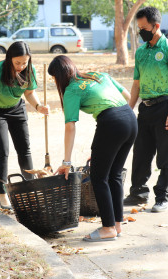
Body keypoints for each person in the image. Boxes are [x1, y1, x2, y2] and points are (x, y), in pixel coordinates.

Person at [48, 55, 138, 242]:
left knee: (98, 177)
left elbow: (70, 126)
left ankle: (107, 228)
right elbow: (128, 97)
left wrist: (66, 162)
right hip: (129, 119)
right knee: (114, 175)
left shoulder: (72, 90)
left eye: (54, 78)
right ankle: (117, 224)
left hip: (111, 123)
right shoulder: (99, 75)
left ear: (59, 76)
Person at [0, 41, 49, 209]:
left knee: (24, 149)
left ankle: (29, 190)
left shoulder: (30, 70)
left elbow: (29, 92)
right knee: (2, 151)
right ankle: (2, 195)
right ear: (9, 59)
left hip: (16, 108)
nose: (21, 66)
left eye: (25, 62)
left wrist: (38, 106)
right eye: (17, 63)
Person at [123, 6, 168, 212]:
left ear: (156, 26)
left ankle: (163, 197)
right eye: (139, 28)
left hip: (165, 107)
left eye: (144, 28)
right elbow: (136, 85)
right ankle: (138, 193)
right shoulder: (141, 52)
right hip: (145, 109)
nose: (141, 32)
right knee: (141, 153)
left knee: (165, 156)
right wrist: (128, 110)